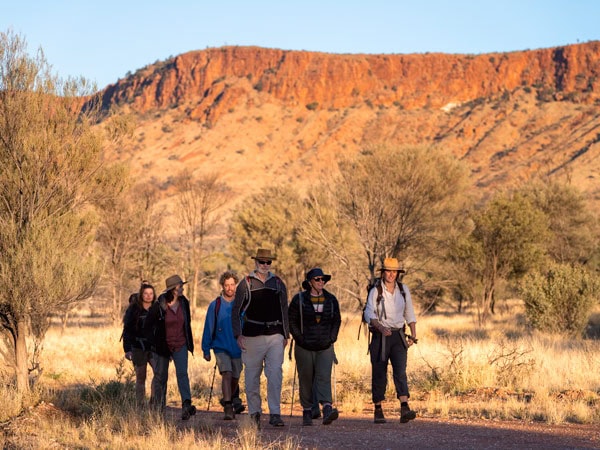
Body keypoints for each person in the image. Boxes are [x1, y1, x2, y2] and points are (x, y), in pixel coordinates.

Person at [231, 248, 289, 429]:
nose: (265, 265)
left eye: (268, 262)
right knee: (251, 376)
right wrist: (238, 334)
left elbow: (284, 310)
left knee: (275, 375)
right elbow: (236, 311)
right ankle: (254, 412)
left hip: (275, 335)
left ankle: (275, 413)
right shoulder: (245, 284)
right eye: (262, 262)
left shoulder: (278, 283)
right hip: (251, 336)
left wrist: (285, 335)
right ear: (255, 263)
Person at [363, 257, 418, 424]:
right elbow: (368, 313)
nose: (391, 274)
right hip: (381, 336)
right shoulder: (376, 291)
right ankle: (378, 409)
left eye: (394, 271)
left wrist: (413, 335)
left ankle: (404, 407)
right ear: (383, 273)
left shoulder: (403, 290)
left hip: (398, 335)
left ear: (398, 273)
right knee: (379, 373)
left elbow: (409, 312)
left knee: (400, 371)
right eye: (388, 271)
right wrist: (380, 327)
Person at [289, 268, 341, 426]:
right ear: (310, 282)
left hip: (325, 346)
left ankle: (327, 409)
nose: (321, 282)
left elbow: (336, 320)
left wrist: (332, 338)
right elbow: (292, 320)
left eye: (323, 279)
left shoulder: (331, 300)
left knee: (324, 376)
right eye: (317, 279)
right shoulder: (299, 300)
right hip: (304, 347)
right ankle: (307, 410)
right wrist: (299, 338)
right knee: (305, 379)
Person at [144, 274, 197, 420]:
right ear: (173, 289)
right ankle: (159, 410)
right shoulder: (160, 303)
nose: (182, 289)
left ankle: (187, 405)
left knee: (182, 374)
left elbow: (187, 324)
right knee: (161, 377)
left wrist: (189, 342)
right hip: (163, 346)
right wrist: (151, 345)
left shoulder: (184, 303)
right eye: (180, 286)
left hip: (180, 343)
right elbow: (149, 325)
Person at [201, 271, 245, 419]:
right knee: (226, 373)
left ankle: (228, 399)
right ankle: (227, 406)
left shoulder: (241, 304)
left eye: (232, 285)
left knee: (235, 376)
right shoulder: (216, 305)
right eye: (227, 285)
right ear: (222, 286)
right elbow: (208, 327)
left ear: (236, 285)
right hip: (220, 346)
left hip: (238, 347)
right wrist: (206, 349)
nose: (230, 288)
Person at [122, 282, 157, 406]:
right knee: (141, 377)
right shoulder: (134, 310)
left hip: (154, 347)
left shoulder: (157, 308)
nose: (148, 296)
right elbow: (127, 330)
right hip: (138, 347)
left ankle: (154, 401)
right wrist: (127, 349)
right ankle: (140, 404)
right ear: (141, 295)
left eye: (151, 294)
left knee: (158, 373)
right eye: (146, 294)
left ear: (154, 295)